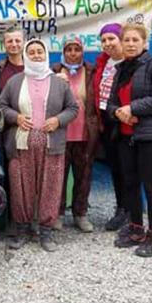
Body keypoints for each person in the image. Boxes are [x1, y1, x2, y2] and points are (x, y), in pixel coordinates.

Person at [0, 39, 79, 252]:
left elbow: (72, 108)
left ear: (46, 54)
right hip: (21, 146)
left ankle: (46, 232)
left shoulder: (59, 83)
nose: (35, 55)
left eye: (39, 51)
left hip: (52, 146)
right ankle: (22, 229)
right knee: (20, 188)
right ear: (25, 55)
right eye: (31, 52)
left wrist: (58, 120)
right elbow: (1, 106)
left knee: (50, 188)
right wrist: (16, 117)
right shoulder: (15, 81)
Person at [106, 24, 152, 257]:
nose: (131, 44)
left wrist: (133, 108)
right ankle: (136, 228)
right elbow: (111, 103)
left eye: (136, 40)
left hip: (150, 137)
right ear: (122, 44)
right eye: (127, 40)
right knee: (130, 184)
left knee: (151, 186)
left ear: (144, 43)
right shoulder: (120, 70)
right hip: (126, 137)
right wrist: (119, 112)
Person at [51, 37, 99, 233]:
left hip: (84, 133)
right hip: (60, 133)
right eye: (68, 49)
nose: (72, 53)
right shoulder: (53, 71)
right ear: (63, 52)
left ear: (82, 51)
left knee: (83, 176)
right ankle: (58, 213)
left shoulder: (91, 71)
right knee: (59, 177)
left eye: (76, 49)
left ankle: (80, 214)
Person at [92, 22, 129, 231]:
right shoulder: (103, 63)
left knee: (127, 168)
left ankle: (130, 211)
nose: (107, 44)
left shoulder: (131, 63)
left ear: (121, 39)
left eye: (111, 39)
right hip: (106, 121)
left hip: (123, 121)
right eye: (104, 40)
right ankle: (121, 208)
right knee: (115, 167)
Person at [0, 28, 25, 93]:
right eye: (10, 41)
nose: (14, 44)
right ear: (4, 44)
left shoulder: (33, 67)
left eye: (17, 41)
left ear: (23, 43)